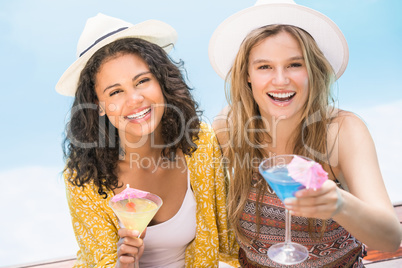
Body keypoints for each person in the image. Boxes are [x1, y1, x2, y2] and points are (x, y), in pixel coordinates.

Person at [209, 0, 402, 267]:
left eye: (294, 65)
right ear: (247, 75)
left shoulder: (341, 131)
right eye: (264, 67)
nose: (280, 80)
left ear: (313, 70)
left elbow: (390, 239)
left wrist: (339, 204)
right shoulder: (228, 130)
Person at [56, 13, 238, 268]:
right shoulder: (83, 179)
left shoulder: (201, 145)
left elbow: (226, 246)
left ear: (161, 81)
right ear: (98, 104)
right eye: (116, 91)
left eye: (142, 81)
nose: (135, 99)